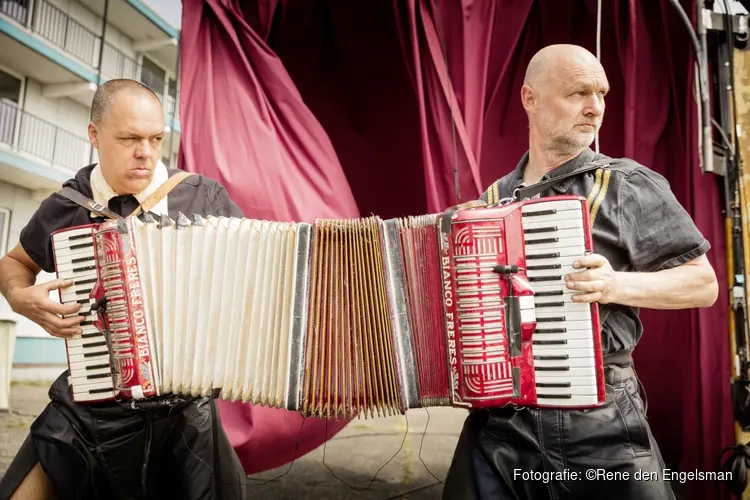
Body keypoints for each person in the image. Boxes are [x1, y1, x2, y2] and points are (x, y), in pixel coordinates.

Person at [441, 45, 719, 500]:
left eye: (602, 94)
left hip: (602, 417)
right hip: (500, 426)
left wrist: (615, 284)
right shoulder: (492, 202)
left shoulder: (628, 184)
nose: (596, 108)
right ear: (530, 99)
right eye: (578, 93)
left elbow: (703, 284)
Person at [0, 79, 248, 499]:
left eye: (155, 139)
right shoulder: (68, 206)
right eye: (130, 138)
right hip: (91, 403)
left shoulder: (203, 198)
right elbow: (14, 263)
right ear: (94, 135)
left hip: (183, 409)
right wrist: (19, 298)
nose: (146, 153)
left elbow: (254, 278)